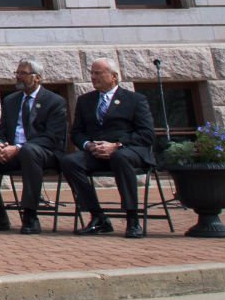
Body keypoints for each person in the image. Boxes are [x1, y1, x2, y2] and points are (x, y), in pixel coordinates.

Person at [61, 58, 157, 238]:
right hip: (96, 152)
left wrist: (116, 145)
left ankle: (132, 218)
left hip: (128, 150)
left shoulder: (135, 100)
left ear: (113, 77)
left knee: (121, 157)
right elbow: (77, 133)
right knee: (69, 161)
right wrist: (88, 145)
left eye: (98, 73)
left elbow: (147, 134)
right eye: (92, 73)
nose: (93, 77)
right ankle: (98, 217)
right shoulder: (85, 101)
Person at [0, 59, 67, 234]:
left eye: (23, 73)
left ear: (37, 78)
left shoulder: (54, 101)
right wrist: (0, 145)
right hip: (11, 152)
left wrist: (18, 148)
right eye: (17, 73)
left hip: (43, 153)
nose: (18, 77)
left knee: (29, 151)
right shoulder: (11, 100)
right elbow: (2, 130)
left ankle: (30, 215)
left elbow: (52, 137)